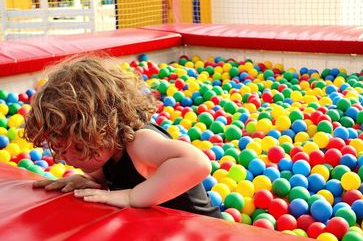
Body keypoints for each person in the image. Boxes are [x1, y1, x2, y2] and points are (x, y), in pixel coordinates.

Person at [23, 55, 222, 218]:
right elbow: (109, 178)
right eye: (58, 149)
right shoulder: (107, 155)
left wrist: (132, 197)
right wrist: (87, 181)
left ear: (103, 128)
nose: (66, 159)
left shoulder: (140, 143)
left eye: (77, 148)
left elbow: (197, 163)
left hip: (204, 229)